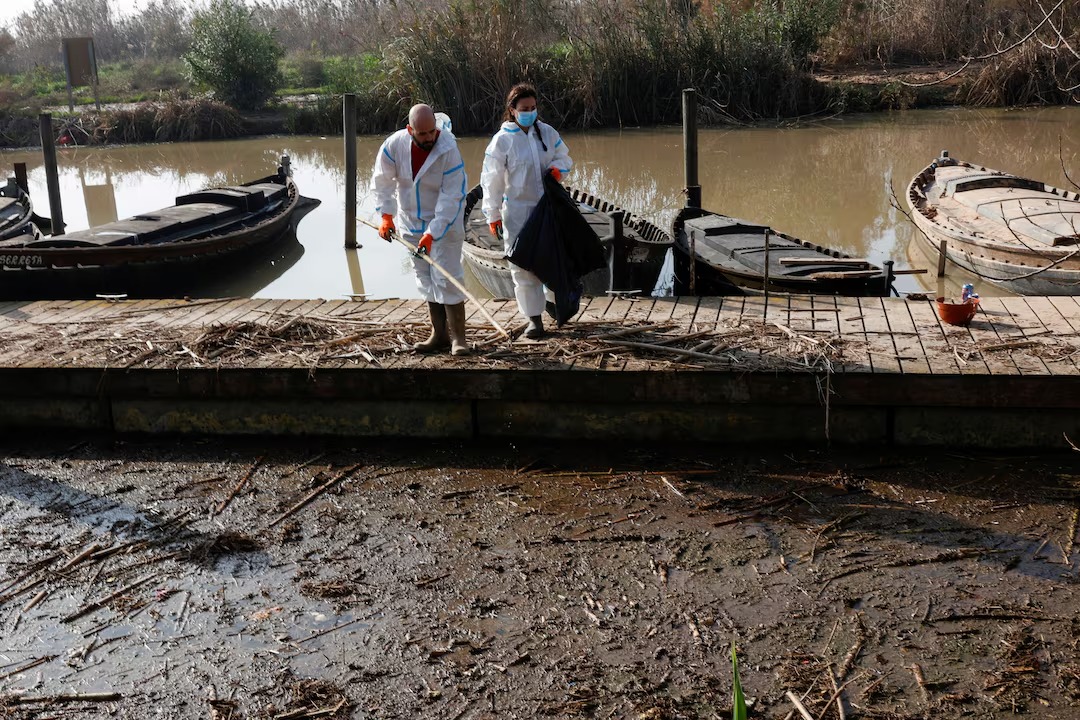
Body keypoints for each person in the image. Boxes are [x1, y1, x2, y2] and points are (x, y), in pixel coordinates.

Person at [371, 103, 469, 356]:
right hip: (411, 221)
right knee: (425, 277)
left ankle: (459, 339)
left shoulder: (448, 148)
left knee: (447, 277)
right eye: (422, 133)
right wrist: (386, 217)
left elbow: (451, 197)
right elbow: (381, 182)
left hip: (445, 223)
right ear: (410, 130)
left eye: (431, 132)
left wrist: (432, 233)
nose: (428, 138)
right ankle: (439, 335)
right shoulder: (394, 146)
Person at [480, 83, 572, 339]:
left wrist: (557, 170)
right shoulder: (503, 140)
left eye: (533, 108)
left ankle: (556, 305)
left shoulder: (547, 132)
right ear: (512, 110)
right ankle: (534, 321)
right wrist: (493, 214)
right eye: (524, 109)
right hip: (518, 213)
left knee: (553, 260)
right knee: (523, 268)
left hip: (549, 209)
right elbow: (492, 180)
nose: (530, 112)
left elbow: (564, 158)